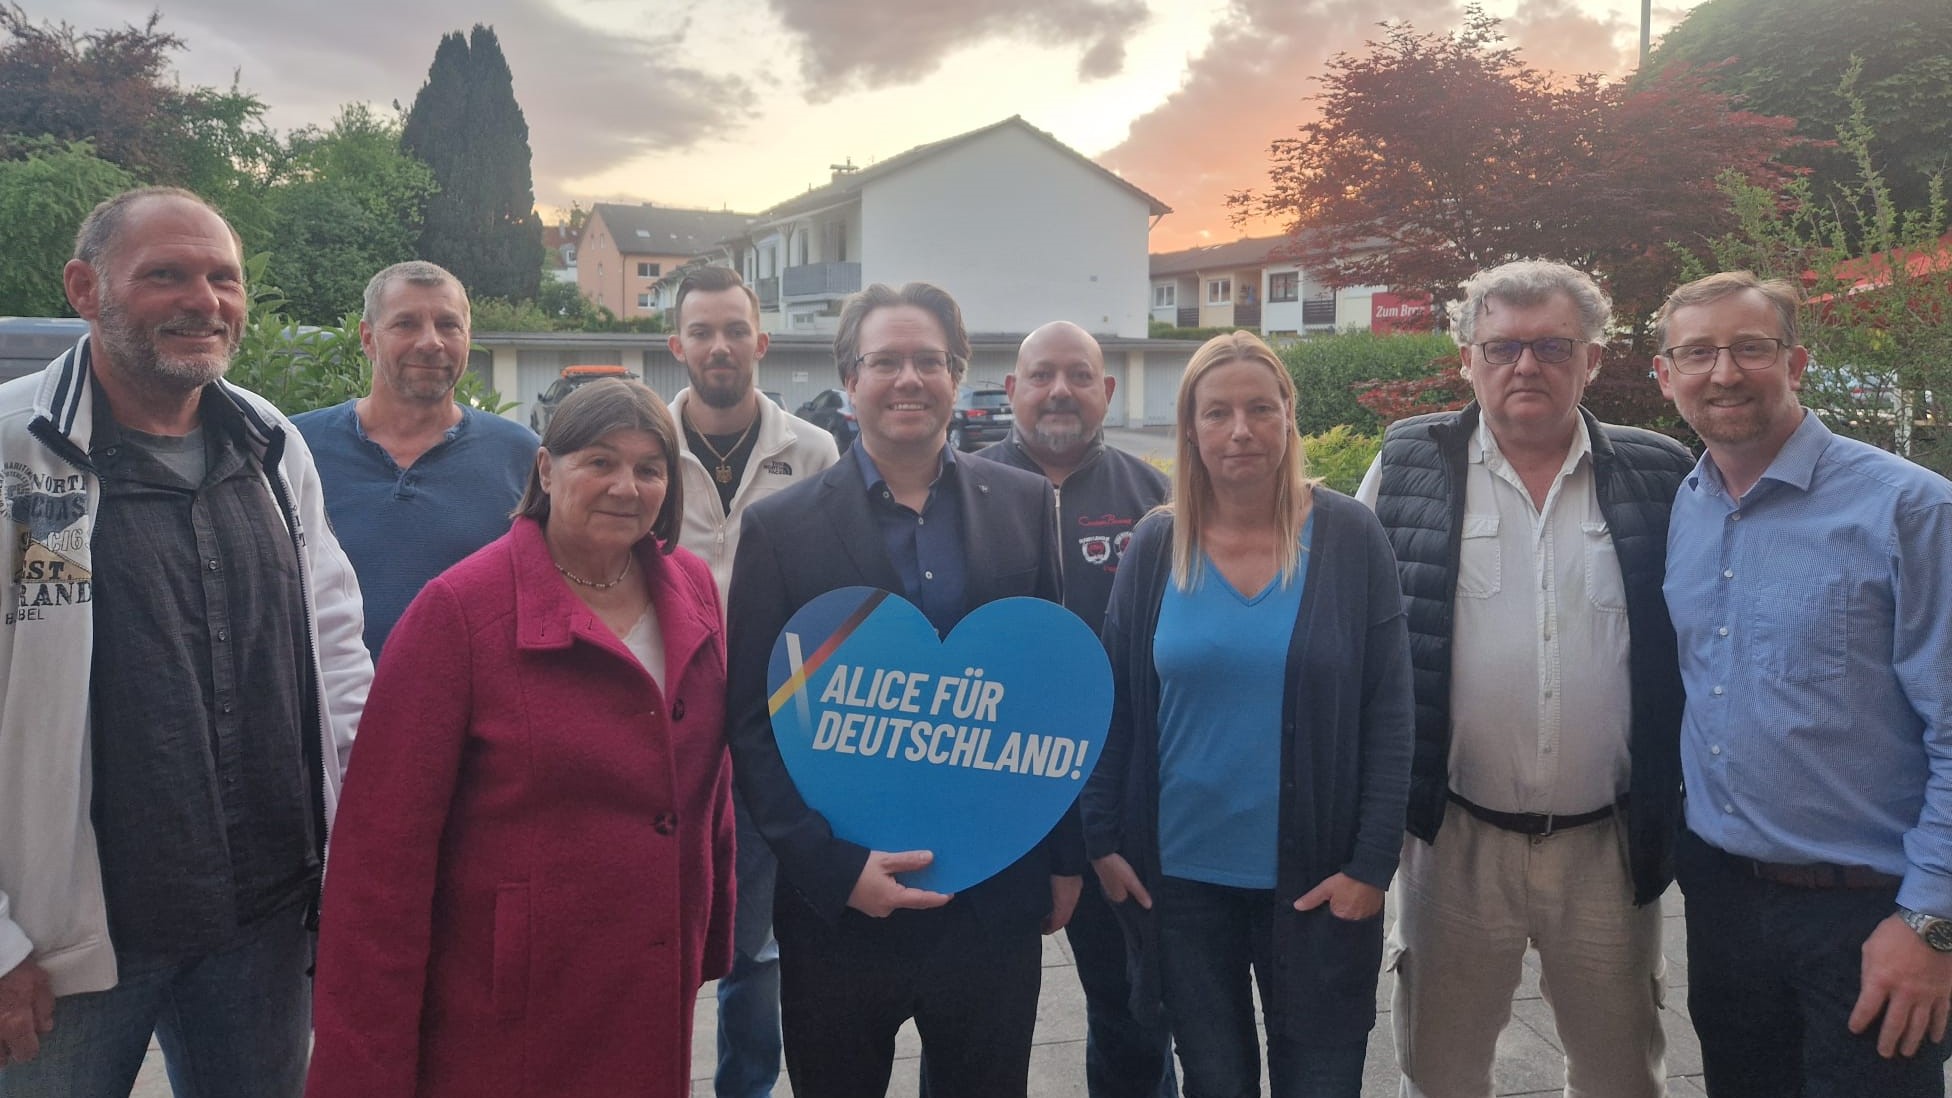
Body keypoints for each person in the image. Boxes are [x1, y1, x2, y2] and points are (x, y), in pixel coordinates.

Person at [0, 186, 371, 1096]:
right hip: (68, 945)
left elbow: (333, 651)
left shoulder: (272, 445)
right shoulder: (15, 453)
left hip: (264, 924)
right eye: (165, 275)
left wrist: (359, 847)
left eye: (223, 278)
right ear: (87, 288)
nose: (203, 301)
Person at [305, 378, 735, 1098]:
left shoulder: (690, 585)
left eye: (649, 468)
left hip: (652, 978)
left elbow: (705, 775)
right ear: (545, 470)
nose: (626, 487)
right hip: (515, 1006)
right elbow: (381, 857)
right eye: (599, 461)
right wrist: (363, 1065)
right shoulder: (459, 613)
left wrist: (708, 925)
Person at [723, 282, 1072, 1098]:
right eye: (885, 361)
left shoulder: (1026, 505)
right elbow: (751, 723)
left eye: (928, 361)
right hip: (841, 911)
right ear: (850, 379)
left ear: (958, 376)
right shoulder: (781, 529)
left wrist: (1062, 858)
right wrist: (832, 868)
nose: (907, 378)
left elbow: (1049, 688)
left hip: (992, 901)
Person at [1354, 260, 1694, 1098]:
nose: (1525, 366)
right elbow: (1350, 634)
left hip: (1607, 847)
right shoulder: (1405, 467)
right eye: (1501, 347)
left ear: (1593, 360)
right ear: (1466, 359)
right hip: (1456, 841)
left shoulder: (1660, 473)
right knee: (1441, 1074)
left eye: (1552, 345)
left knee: (1623, 1077)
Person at [1084, 330, 1413, 1098]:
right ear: (1190, 428)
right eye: (1218, 412)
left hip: (1316, 881)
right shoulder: (1156, 545)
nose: (1241, 430)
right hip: (1183, 884)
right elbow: (1116, 705)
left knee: (1322, 1080)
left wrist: (1370, 867)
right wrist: (1102, 839)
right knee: (1216, 1081)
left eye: (1261, 409)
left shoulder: (1348, 536)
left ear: (1289, 418)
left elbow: (1391, 712)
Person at [1653, 271, 1952, 1097]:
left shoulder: (1911, 512)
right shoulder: (1689, 505)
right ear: (1665, 374)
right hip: (1723, 902)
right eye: (1698, 352)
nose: (1724, 373)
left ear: (1797, 361)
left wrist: (1931, 923)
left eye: (1751, 348)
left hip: (1871, 914)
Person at [971, 320, 1175, 1098]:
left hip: (1119, 802)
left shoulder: (1155, 499)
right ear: (1013, 389)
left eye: (1079, 375)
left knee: (1131, 1013)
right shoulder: (965, 490)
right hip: (996, 799)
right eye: (1043, 374)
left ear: (1107, 391)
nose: (1060, 389)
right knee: (977, 1020)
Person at [662, 264, 837, 1098]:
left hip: (777, 732)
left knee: (756, 944)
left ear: (762, 342)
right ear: (677, 346)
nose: (720, 346)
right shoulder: (643, 447)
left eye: (735, 329)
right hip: (665, 729)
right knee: (653, 926)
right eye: (702, 331)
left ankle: (746, 1087)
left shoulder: (814, 452)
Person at [293, 260, 536, 658]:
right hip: (329, 712)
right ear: (368, 339)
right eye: (406, 324)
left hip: (473, 712)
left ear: (468, 338)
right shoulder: (293, 448)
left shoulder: (521, 456)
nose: (431, 342)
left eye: (448, 325)